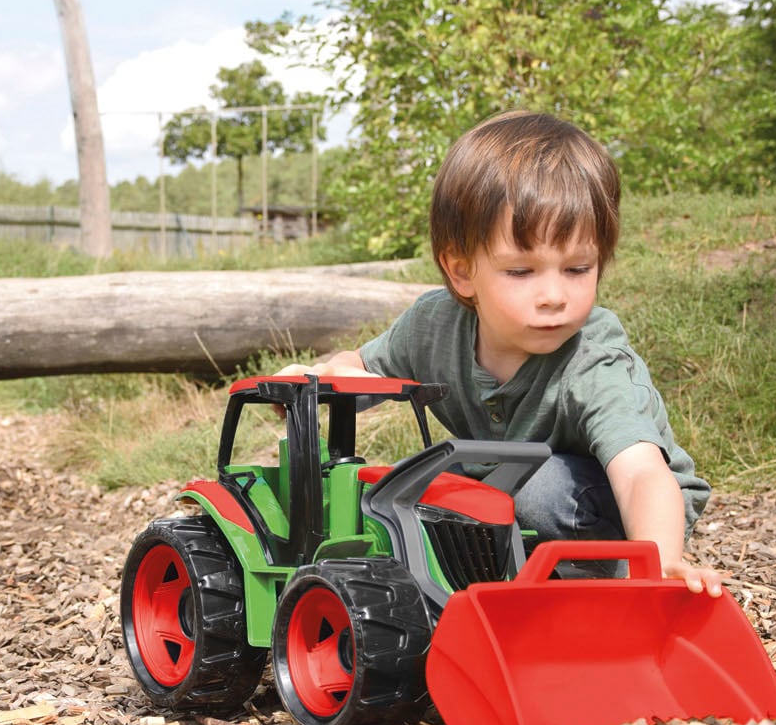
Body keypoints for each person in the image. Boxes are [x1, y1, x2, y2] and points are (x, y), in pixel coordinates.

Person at [280, 110, 723, 596]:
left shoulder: (591, 362)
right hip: (506, 478)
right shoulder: (434, 325)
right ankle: (474, 582)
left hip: (616, 502)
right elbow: (365, 371)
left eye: (577, 268)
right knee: (408, 487)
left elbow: (639, 471)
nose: (554, 294)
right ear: (462, 271)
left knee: (540, 491)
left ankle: (600, 583)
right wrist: (321, 379)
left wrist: (659, 561)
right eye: (521, 272)